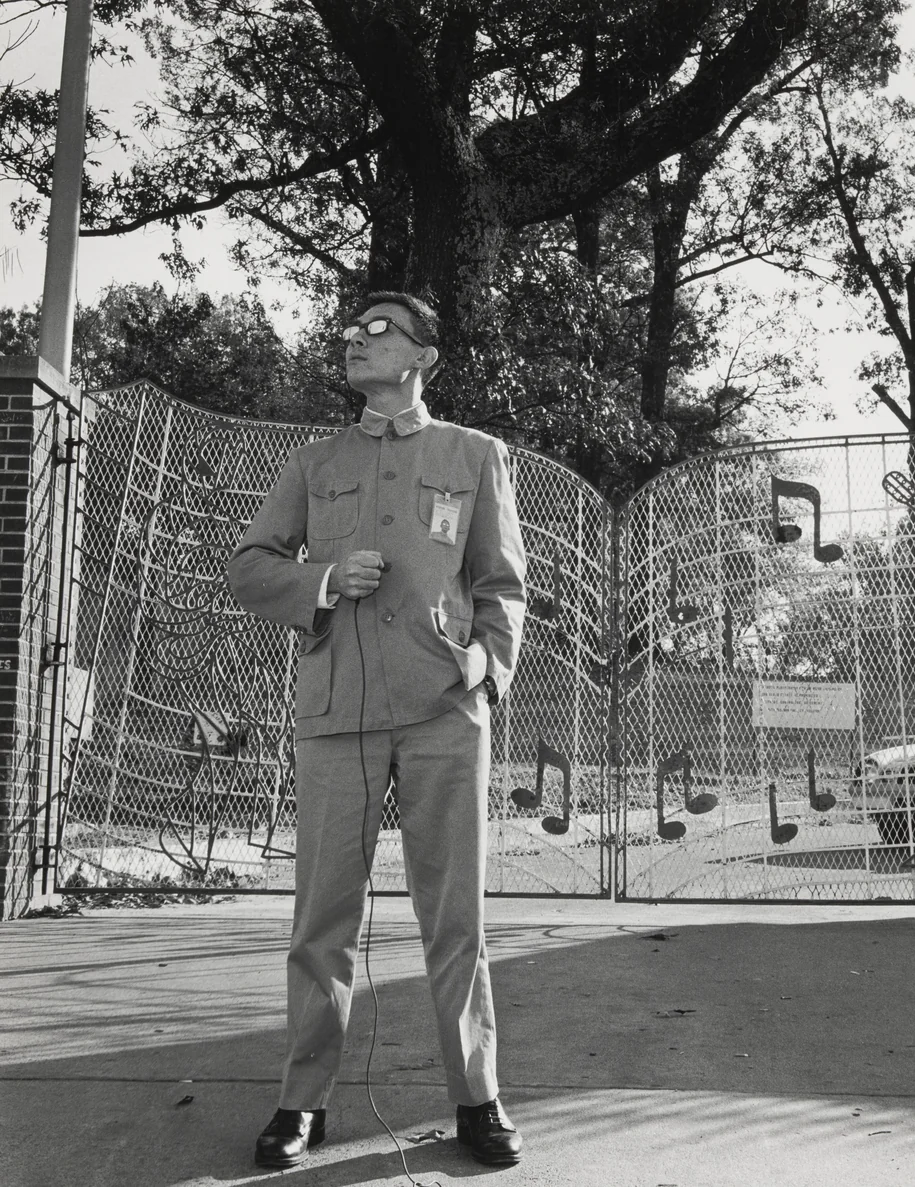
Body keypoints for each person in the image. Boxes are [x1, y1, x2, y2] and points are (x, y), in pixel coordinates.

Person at [227, 291, 527, 1168]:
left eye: (379, 331)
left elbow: (503, 582)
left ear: (423, 353)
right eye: (351, 333)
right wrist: (320, 579)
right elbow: (251, 566)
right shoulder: (314, 461)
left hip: (444, 714)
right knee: (321, 918)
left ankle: (478, 1097)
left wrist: (486, 665)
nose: (356, 342)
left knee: (454, 919)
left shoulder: (475, 455)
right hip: (337, 715)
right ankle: (302, 1102)